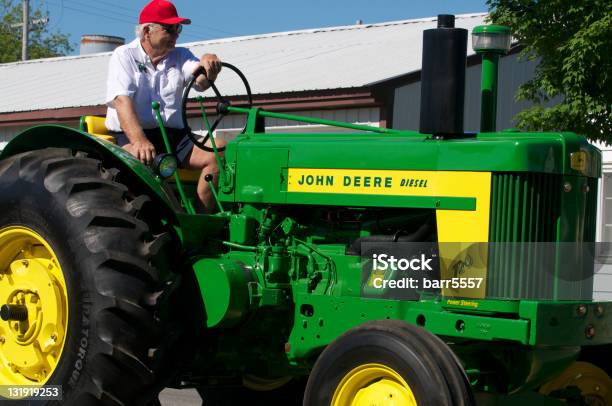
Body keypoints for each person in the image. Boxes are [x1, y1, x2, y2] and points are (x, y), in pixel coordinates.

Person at [105, 0, 224, 212]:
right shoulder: (124, 55)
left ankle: (202, 220)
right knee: (143, 157)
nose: (176, 34)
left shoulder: (181, 55)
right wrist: (139, 140)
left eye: (178, 29)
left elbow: (200, 80)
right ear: (147, 31)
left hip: (174, 137)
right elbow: (122, 100)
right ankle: (170, 220)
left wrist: (208, 64)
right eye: (170, 29)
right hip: (131, 136)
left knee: (221, 150)